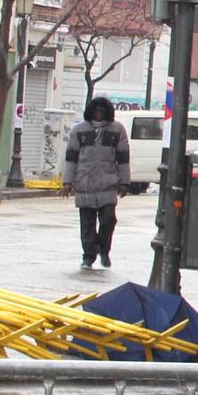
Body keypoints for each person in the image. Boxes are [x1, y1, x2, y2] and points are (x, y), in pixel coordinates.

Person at [62, 96, 130, 270]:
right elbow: (71, 158)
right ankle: (88, 256)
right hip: (85, 184)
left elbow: (123, 158)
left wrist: (125, 182)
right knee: (87, 225)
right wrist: (67, 182)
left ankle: (104, 249)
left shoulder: (117, 130)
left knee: (109, 220)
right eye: (96, 111)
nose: (99, 114)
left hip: (107, 183)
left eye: (102, 111)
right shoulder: (79, 131)